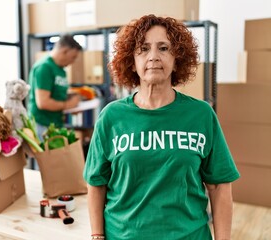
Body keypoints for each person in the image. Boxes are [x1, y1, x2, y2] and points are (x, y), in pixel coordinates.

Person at [83, 14, 240, 240]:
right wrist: (97, 235)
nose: (154, 57)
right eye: (144, 49)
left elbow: (219, 187)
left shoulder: (201, 115)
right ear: (132, 60)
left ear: (177, 59)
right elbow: (96, 184)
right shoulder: (111, 117)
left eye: (164, 48)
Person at [27, 34, 82, 140]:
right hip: (42, 125)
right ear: (65, 51)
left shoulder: (61, 70)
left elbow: (58, 94)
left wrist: (73, 105)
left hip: (56, 124)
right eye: (73, 57)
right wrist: (68, 105)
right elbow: (43, 103)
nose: (73, 61)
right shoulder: (44, 67)